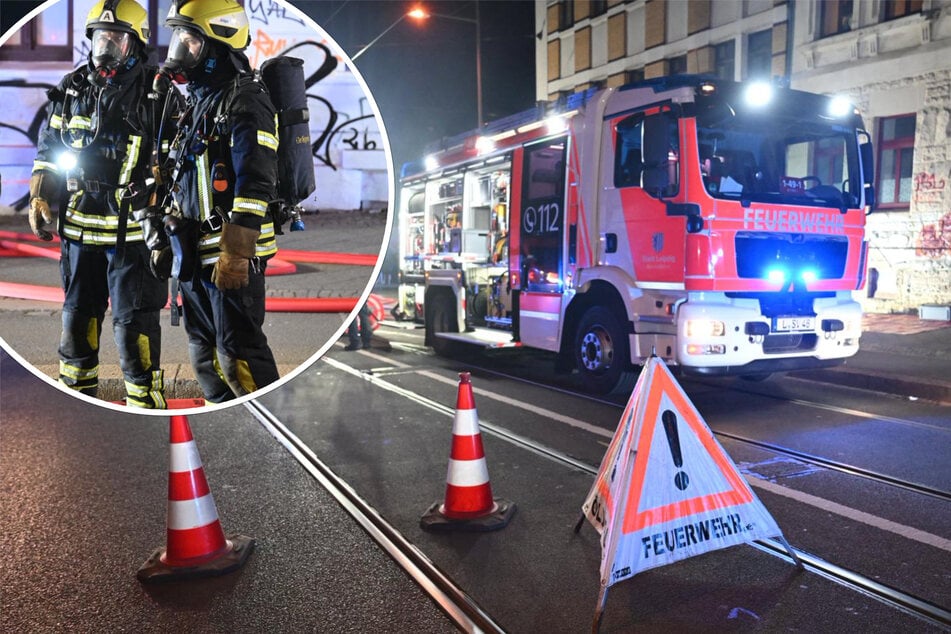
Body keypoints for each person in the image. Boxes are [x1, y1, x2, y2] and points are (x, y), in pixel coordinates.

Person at [28, 0, 182, 408]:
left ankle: (144, 403)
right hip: (79, 229)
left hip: (135, 234)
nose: (105, 47)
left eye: (115, 38)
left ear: (136, 43)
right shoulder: (73, 89)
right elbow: (49, 148)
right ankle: (77, 400)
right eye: (99, 37)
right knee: (78, 317)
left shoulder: (159, 95)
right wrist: (41, 193)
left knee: (135, 325)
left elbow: (179, 164)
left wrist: (166, 217)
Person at [157, 0, 280, 402]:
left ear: (217, 43)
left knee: (239, 355)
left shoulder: (246, 99)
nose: (179, 49)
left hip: (230, 256)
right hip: (195, 254)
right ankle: (223, 429)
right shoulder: (200, 101)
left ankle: (268, 429)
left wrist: (238, 254)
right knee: (204, 356)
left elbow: (256, 180)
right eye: (179, 38)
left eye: (190, 40)